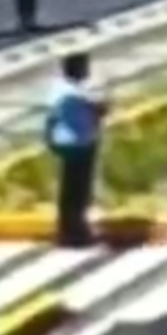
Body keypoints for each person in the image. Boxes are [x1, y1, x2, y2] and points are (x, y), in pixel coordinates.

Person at [45, 52, 108, 247]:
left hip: (70, 143)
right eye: (85, 66)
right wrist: (99, 109)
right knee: (77, 190)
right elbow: (90, 112)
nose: (87, 70)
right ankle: (74, 231)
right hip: (78, 144)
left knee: (71, 190)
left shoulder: (61, 89)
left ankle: (70, 228)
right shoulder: (72, 94)